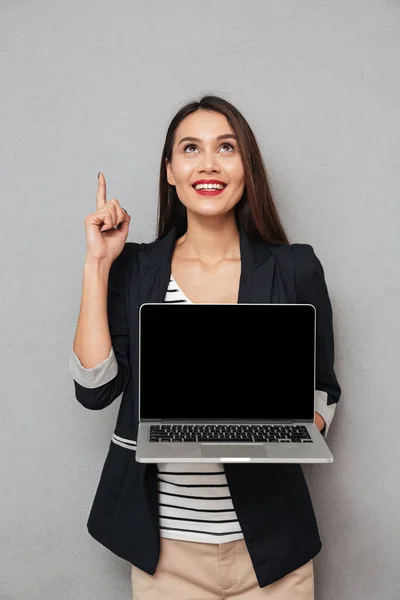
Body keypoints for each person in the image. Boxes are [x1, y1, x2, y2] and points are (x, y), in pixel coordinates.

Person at [69, 95, 341, 599]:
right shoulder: (135, 269)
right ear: (170, 171)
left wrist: (293, 430)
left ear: (246, 167)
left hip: (273, 551)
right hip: (167, 557)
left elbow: (323, 389)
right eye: (191, 149)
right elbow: (95, 388)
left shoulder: (294, 267)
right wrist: (98, 265)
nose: (209, 164)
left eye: (226, 148)